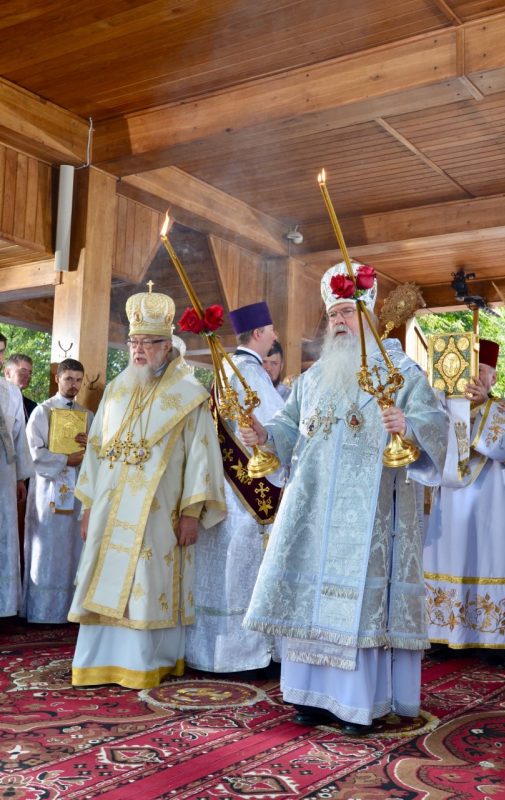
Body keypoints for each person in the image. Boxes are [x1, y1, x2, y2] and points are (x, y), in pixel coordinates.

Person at [239, 262, 448, 734]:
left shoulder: (401, 371)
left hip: (369, 518)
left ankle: (357, 704)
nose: (338, 320)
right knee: (307, 597)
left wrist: (409, 428)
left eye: (348, 312)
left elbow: (434, 427)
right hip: (310, 511)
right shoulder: (311, 379)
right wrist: (262, 436)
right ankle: (309, 697)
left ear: (369, 317)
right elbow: (288, 430)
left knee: (356, 603)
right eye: (333, 313)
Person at [68, 287, 226, 689]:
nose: (138, 350)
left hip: (160, 512)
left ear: (167, 345)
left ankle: (145, 664)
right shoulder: (118, 390)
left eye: (148, 343)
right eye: (134, 342)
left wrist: (191, 513)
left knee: (147, 583)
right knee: (103, 577)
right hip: (109, 508)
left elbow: (203, 457)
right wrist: (88, 506)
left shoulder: (190, 397)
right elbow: (97, 451)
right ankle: (98, 661)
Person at [186, 301, 286, 675]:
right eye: (272, 330)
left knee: (222, 569)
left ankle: (213, 653)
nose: (275, 337)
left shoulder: (224, 369)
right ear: (258, 334)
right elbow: (281, 428)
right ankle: (246, 656)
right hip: (250, 492)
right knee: (243, 569)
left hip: (224, 485)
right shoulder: (252, 374)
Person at [424, 339, 505, 664]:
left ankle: (495, 641)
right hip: (451, 507)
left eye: (482, 372)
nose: (475, 378)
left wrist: (483, 408)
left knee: (492, 561)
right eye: (471, 371)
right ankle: (443, 636)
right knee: (449, 561)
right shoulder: (443, 409)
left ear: (494, 378)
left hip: (493, 508)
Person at [22, 358, 93, 624]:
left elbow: (98, 456)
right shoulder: (43, 412)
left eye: (78, 380)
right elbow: (33, 454)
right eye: (68, 379)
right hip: (47, 492)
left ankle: (68, 610)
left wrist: (91, 446)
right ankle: (43, 612)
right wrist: (65, 460)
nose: (73, 385)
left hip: (75, 493)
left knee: (72, 547)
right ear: (57, 379)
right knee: (48, 548)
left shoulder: (87, 416)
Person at [0, 356, 33, 617]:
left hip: (5, 474)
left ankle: (5, 606)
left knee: (4, 536)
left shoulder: (11, 391)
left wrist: (21, 478)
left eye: (1, 351)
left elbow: (20, 437)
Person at [4, 354, 37, 423]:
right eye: (23, 370)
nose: (27, 376)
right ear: (8, 373)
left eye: (30, 372)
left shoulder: (32, 406)